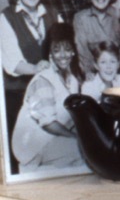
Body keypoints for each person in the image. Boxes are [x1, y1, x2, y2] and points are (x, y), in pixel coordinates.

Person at [11, 22, 84, 172]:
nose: (62, 55)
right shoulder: (43, 79)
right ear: (50, 54)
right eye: (57, 50)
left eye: (67, 49)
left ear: (73, 52)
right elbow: (48, 123)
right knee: (84, 150)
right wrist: (75, 137)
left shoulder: (73, 80)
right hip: (32, 149)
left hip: (52, 142)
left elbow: (71, 119)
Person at [2, 0, 51, 173]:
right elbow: (12, 63)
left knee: (47, 148)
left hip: (48, 91)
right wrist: (38, 68)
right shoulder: (6, 17)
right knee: (21, 152)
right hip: (18, 94)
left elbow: (62, 49)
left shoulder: (51, 13)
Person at [72, 0, 120, 78]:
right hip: (92, 78)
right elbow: (83, 55)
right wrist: (93, 81)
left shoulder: (119, 16)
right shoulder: (80, 19)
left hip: (117, 77)